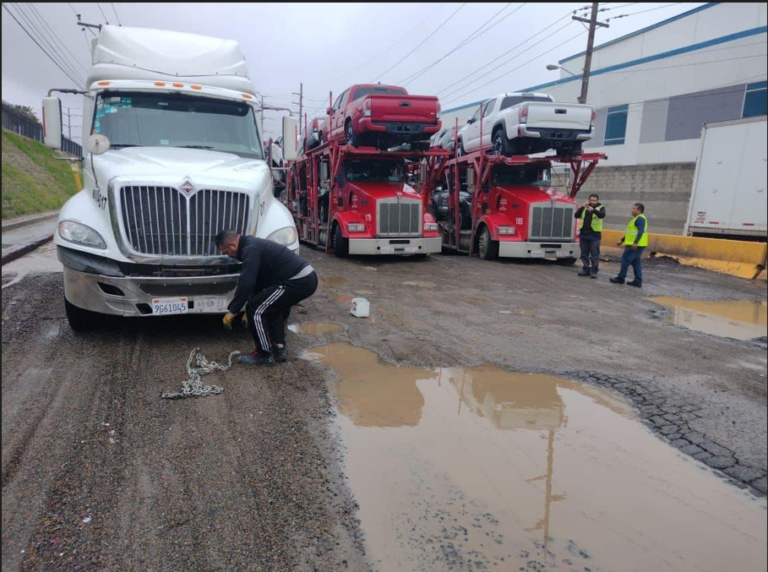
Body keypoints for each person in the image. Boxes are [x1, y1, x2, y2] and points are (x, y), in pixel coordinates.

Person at [216, 230, 318, 366]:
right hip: (304, 278)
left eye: (226, 252)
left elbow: (246, 283)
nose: (228, 255)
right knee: (270, 307)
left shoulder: (250, 249)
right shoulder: (252, 245)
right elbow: (258, 281)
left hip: (298, 280)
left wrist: (233, 311)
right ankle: (279, 348)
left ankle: (264, 354)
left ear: (233, 245)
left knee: (255, 308)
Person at [610, 203, 648, 288]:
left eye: (634, 209)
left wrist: (635, 242)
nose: (632, 210)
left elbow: (640, 231)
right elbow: (631, 233)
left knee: (625, 260)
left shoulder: (640, 219)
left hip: (634, 245)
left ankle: (621, 278)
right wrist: (622, 240)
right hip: (637, 244)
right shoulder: (636, 219)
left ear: (639, 210)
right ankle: (638, 281)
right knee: (635, 262)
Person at [574, 193, 606, 278]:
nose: (592, 202)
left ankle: (594, 271)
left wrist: (593, 210)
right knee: (584, 254)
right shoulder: (585, 207)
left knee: (594, 254)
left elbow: (601, 215)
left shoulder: (601, 207)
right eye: (591, 200)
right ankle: (586, 269)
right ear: (589, 200)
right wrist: (582, 207)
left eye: (594, 200)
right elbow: (576, 215)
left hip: (594, 235)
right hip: (584, 234)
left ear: (597, 201)